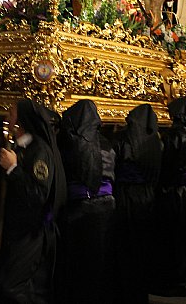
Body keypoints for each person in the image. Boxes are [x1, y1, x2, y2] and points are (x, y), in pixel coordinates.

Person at [0, 99, 67, 303]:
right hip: (18, 228)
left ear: (22, 120)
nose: (7, 117)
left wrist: (14, 169)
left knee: (13, 286)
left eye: (11, 113)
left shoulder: (39, 150)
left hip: (32, 232)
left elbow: (37, 195)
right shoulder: (20, 146)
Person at [57, 99, 116, 304]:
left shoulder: (70, 141)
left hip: (81, 211)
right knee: (99, 263)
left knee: (78, 265)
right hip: (107, 206)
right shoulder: (106, 142)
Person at [151, 95, 186, 297]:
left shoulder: (175, 135)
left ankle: (169, 282)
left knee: (170, 237)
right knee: (182, 237)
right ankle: (179, 279)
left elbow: (166, 166)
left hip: (172, 192)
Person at [112, 104, 163, 304]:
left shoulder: (123, 140)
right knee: (141, 247)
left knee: (124, 245)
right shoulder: (155, 143)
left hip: (125, 197)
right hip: (147, 197)